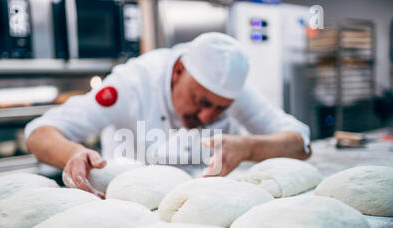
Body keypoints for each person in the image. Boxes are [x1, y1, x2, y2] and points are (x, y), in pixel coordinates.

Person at [25, 32, 311, 196]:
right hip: (128, 204)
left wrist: (248, 147)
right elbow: (40, 132)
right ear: (177, 72)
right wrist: (72, 154)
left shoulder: (229, 88)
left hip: (198, 203)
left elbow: (300, 141)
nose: (205, 115)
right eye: (200, 101)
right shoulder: (131, 84)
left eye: (220, 109)